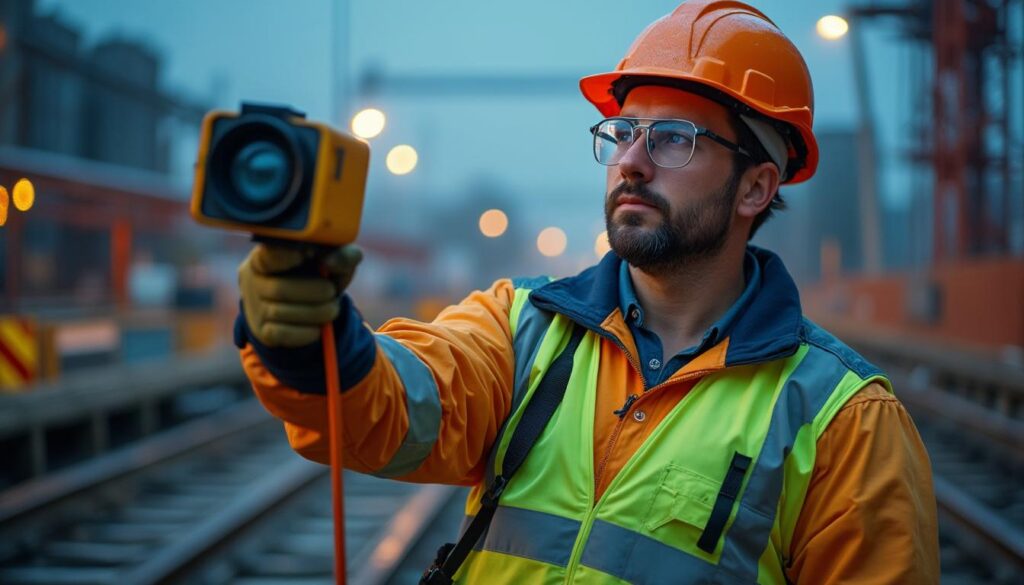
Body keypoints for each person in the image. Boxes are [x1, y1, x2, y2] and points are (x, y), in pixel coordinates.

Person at [233, 1, 940, 583]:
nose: (630, 161)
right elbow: (396, 408)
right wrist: (301, 339)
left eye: (673, 139)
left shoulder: (845, 422)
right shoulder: (523, 327)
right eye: (623, 132)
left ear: (756, 185)